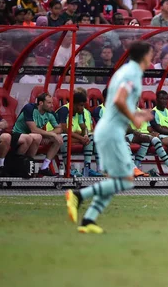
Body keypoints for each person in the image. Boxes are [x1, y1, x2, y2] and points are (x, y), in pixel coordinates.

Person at [65, 41, 155, 234]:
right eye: (150, 54)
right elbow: (119, 100)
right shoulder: (132, 73)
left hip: (111, 130)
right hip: (112, 132)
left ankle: (89, 219)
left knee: (115, 181)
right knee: (126, 180)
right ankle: (78, 195)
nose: (152, 58)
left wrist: (139, 115)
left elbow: (120, 105)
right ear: (144, 56)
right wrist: (134, 119)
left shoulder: (125, 72)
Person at [12, 93, 62, 177]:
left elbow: (59, 128)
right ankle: (26, 165)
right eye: (49, 103)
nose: (52, 105)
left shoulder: (50, 113)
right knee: (37, 136)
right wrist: (51, 134)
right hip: (19, 135)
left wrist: (50, 136)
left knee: (58, 139)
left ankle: (44, 167)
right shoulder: (29, 108)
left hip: (35, 135)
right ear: (41, 103)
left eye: (52, 103)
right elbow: (33, 129)